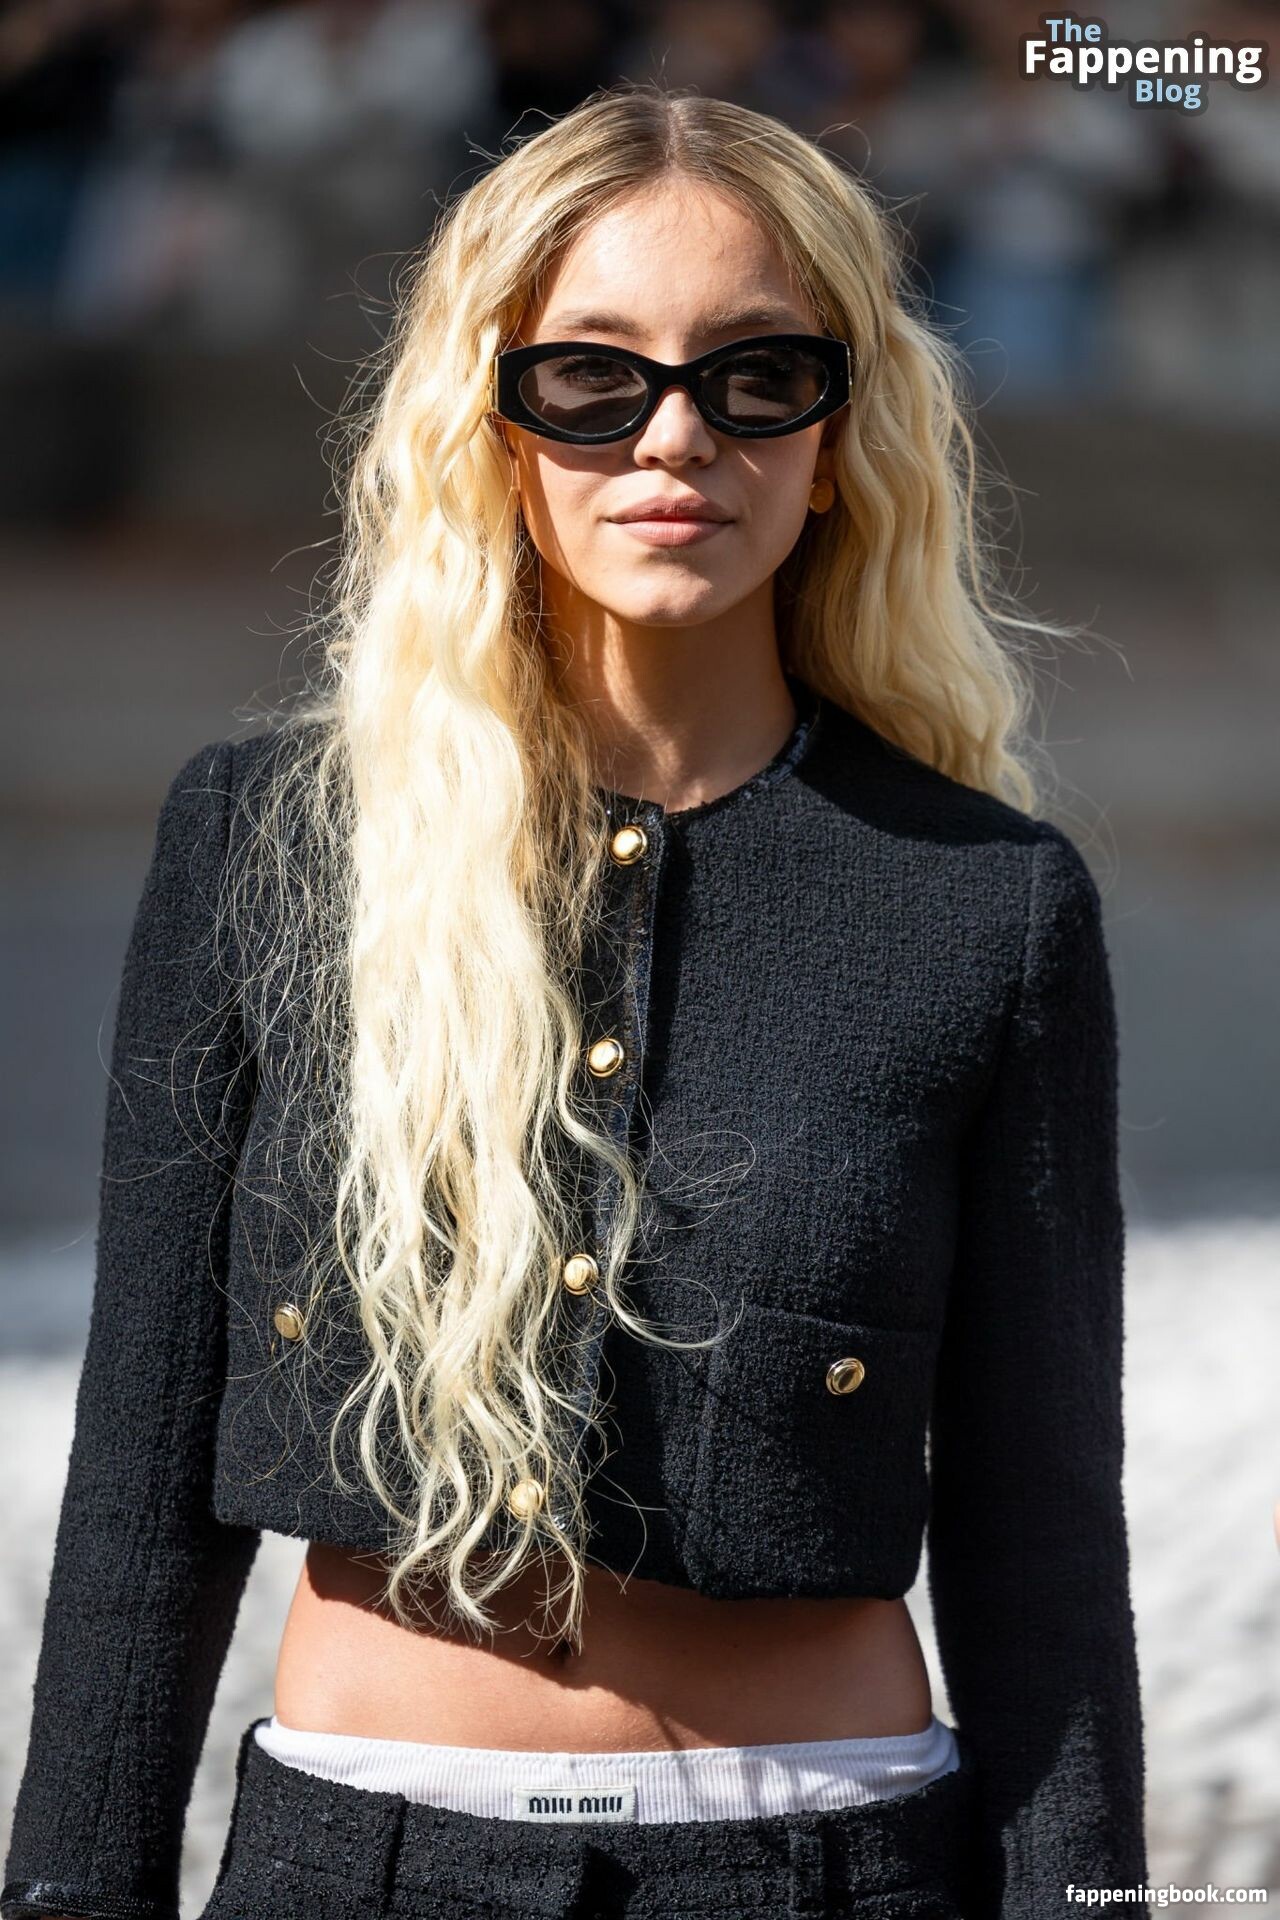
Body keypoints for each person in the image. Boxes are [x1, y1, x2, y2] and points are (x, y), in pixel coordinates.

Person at [1, 81, 1149, 1920]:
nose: (674, 435)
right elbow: (142, 1467)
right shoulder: (266, 843)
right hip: (354, 1864)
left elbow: (1044, 1538)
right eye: (591, 377)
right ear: (489, 415)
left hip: (837, 1862)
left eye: (757, 375)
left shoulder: (989, 906)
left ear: (839, 434)